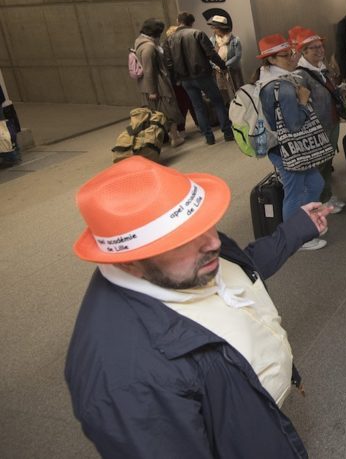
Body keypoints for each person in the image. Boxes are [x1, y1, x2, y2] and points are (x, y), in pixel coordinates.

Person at [65, 156, 330, 458]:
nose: (214, 242)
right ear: (130, 262)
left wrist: (294, 230)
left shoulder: (194, 251)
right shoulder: (125, 383)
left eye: (209, 223)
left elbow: (240, 270)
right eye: (182, 240)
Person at [257, 34, 334, 251]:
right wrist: (302, 102)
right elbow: (294, 125)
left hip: (286, 148)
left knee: (315, 184)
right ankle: (295, 237)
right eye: (285, 55)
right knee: (294, 191)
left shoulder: (270, 80)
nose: (292, 57)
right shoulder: (284, 87)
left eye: (292, 52)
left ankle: (307, 222)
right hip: (287, 149)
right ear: (271, 60)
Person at [290, 26, 346, 215]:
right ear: (303, 52)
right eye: (313, 48)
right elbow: (301, 104)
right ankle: (323, 198)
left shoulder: (323, 68)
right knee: (319, 165)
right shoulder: (301, 75)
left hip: (331, 121)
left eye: (320, 46)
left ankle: (324, 195)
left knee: (327, 161)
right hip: (317, 127)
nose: (320, 50)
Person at [165, 11, 233, 145]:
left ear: (179, 21)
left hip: (185, 79)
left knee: (198, 107)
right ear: (192, 22)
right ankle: (227, 133)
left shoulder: (170, 39)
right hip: (203, 75)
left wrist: (176, 78)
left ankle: (209, 137)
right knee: (218, 102)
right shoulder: (197, 33)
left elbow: (168, 62)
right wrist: (222, 66)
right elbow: (211, 54)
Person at [133, 18, 185, 147]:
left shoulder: (140, 42)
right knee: (168, 110)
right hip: (158, 85)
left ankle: (167, 137)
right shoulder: (149, 47)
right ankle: (175, 137)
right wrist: (152, 90)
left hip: (152, 84)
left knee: (158, 112)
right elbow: (149, 69)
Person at [208, 14, 244, 104]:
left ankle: (241, 107)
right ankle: (227, 108)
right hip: (218, 71)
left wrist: (225, 64)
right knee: (222, 90)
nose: (213, 29)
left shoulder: (235, 40)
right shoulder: (212, 40)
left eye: (215, 27)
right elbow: (209, 55)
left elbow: (238, 55)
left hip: (233, 69)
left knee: (238, 89)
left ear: (221, 28)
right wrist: (216, 65)